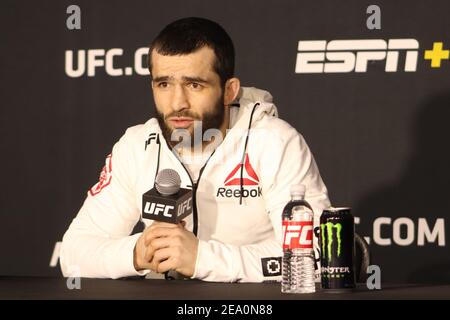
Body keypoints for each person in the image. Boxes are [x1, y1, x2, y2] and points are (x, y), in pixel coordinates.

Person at [60, 17, 330, 282]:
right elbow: (73, 255)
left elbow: (316, 258)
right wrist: (136, 253)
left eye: (194, 85)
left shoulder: (274, 142)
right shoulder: (136, 145)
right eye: (163, 84)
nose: (177, 103)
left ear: (229, 91)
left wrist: (202, 258)